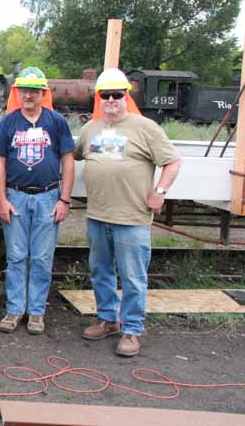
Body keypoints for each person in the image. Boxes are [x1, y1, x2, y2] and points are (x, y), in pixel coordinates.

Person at [74, 68, 181, 357]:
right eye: (105, 95)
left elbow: (172, 162)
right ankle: (107, 319)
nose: (111, 100)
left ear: (126, 95)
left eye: (116, 95)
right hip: (98, 215)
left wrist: (159, 192)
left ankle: (132, 329)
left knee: (133, 277)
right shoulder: (90, 129)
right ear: (99, 97)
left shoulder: (145, 128)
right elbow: (74, 155)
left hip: (132, 218)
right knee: (100, 272)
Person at [0, 67, 74, 335]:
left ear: (43, 93)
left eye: (34, 90)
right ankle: (15, 310)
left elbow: (68, 161)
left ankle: (36, 312)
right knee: (16, 257)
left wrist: (64, 199)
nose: (29, 95)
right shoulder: (9, 122)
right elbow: (0, 161)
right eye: (24, 90)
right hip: (16, 195)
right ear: (18, 92)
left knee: (41, 257)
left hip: (48, 196)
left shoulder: (56, 122)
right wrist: (2, 199)